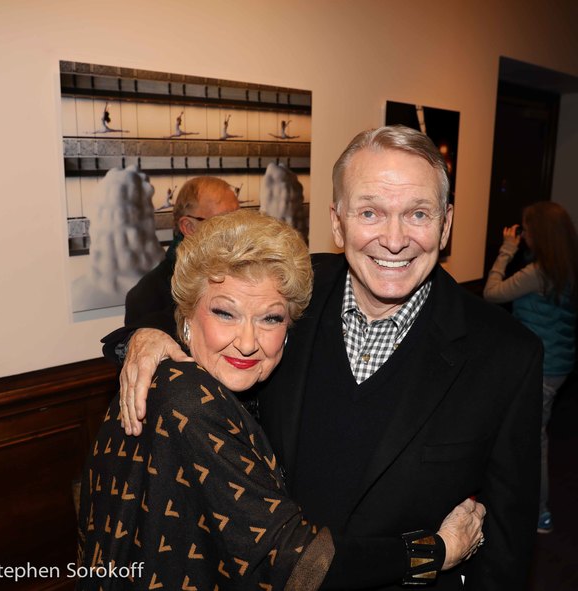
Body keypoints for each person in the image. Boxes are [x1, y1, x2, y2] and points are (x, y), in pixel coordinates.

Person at [104, 125, 541, 589]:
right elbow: (195, 309)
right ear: (338, 222)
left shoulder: (507, 356)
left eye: (417, 214)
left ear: (446, 223)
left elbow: (506, 553)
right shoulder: (286, 294)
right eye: (370, 212)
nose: (394, 240)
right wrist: (142, 336)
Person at [78, 210, 483, 590]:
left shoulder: (193, 381)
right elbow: (297, 561)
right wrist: (438, 551)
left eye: (270, 318)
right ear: (184, 317)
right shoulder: (190, 401)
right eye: (225, 313)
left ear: (289, 328)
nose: (248, 341)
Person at [483, 201, 578, 534]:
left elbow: (492, 293)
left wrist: (507, 250)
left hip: (541, 367)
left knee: (534, 439)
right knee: (526, 433)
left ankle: (539, 513)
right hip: (560, 365)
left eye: (527, 228)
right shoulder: (567, 267)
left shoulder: (537, 273)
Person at [122, 176, 239, 326]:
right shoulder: (149, 296)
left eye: (240, 218)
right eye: (224, 221)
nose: (238, 228)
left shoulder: (248, 271)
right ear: (189, 227)